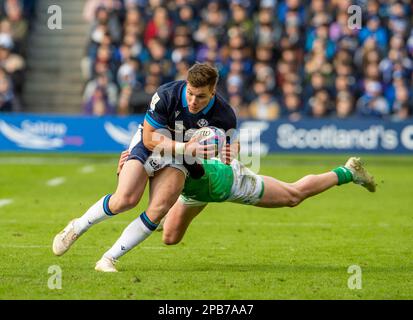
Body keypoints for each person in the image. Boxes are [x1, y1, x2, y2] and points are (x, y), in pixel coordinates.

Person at [52, 63, 239, 272]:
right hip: (152, 144)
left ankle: (108, 259)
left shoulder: (224, 114)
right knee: (125, 200)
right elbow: (149, 138)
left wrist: (229, 152)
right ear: (186, 85)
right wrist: (185, 147)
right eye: (191, 94)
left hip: (181, 158)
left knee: (158, 209)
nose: (194, 101)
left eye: (201, 97)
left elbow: (230, 143)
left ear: (213, 91)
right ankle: (77, 226)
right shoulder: (167, 94)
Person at [96, 151, 376, 272]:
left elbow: (222, 144)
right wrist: (127, 162)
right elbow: (137, 179)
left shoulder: (174, 143)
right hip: (194, 191)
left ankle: (349, 172)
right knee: (170, 238)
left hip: (228, 182)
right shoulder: (152, 149)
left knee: (292, 196)